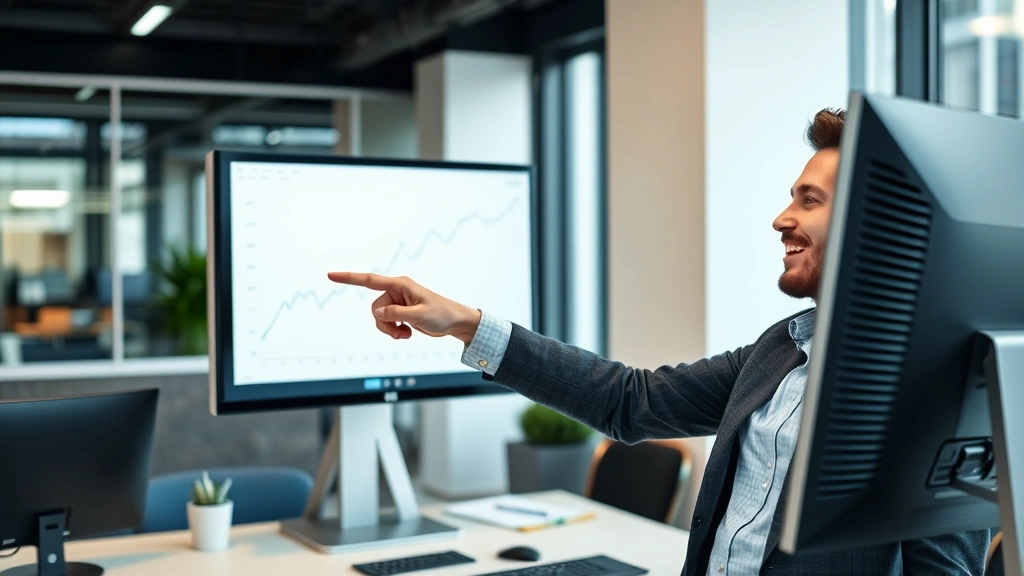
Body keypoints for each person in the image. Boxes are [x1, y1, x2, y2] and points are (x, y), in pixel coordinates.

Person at [327, 109, 990, 575]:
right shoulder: (780, 350)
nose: (780, 218)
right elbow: (632, 401)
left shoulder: (941, 386)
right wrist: (468, 324)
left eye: (808, 201)